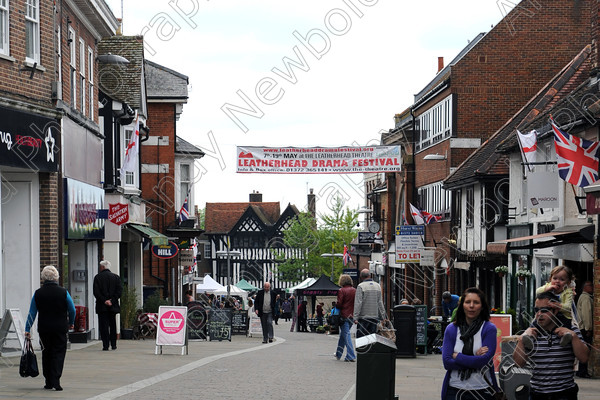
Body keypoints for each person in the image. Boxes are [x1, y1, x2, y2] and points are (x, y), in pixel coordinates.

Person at [513, 291, 589, 399]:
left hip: (564, 393)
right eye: (536, 310)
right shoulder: (531, 333)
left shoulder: (570, 330)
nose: (539, 314)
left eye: (544, 310)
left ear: (556, 310)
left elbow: (584, 358)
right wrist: (521, 340)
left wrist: (574, 337)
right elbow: (518, 363)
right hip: (537, 394)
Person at [441, 287, 498, 400]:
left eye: (476, 302)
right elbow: (447, 363)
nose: (471, 306)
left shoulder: (489, 328)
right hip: (454, 391)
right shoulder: (451, 329)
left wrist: (458, 356)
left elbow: (484, 361)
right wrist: (474, 358)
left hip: (483, 390)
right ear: (462, 305)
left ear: (482, 307)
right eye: (468, 302)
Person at [25, 266, 76, 391]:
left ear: (43, 278)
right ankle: (56, 380)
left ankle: (48, 381)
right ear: (56, 277)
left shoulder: (38, 293)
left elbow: (32, 313)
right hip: (60, 327)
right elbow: (72, 309)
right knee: (58, 353)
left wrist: (27, 328)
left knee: (46, 353)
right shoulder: (63, 292)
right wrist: (72, 322)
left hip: (44, 328)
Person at [523, 265, 576, 350]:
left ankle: (565, 338)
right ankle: (529, 339)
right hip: (547, 315)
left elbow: (568, 307)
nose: (557, 282)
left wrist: (558, 306)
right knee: (535, 325)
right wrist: (548, 288)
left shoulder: (568, 292)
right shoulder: (548, 286)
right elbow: (537, 291)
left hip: (562, 316)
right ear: (550, 279)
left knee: (565, 327)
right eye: (555, 278)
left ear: (568, 282)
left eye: (562, 279)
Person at [93, 260, 123, 351]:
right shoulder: (116, 277)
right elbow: (119, 291)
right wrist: (112, 300)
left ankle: (105, 345)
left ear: (102, 267)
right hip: (112, 306)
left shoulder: (98, 277)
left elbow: (96, 292)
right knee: (113, 324)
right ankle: (114, 344)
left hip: (102, 306)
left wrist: (104, 300)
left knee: (103, 326)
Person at [353, 269, 386, 338]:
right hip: (374, 317)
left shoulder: (361, 286)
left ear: (361, 277)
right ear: (370, 275)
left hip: (363, 317)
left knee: (361, 338)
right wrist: (383, 316)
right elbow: (380, 302)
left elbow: (358, 303)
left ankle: (363, 349)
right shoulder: (377, 286)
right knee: (372, 338)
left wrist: (355, 317)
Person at [335, 274, 356, 362]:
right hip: (352, 315)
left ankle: (351, 355)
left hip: (343, 316)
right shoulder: (355, 290)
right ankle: (338, 353)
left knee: (346, 335)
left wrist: (336, 305)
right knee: (343, 335)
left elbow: (339, 304)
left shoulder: (341, 290)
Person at [576, 281, 593, 378]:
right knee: (585, 350)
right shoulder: (586, 298)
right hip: (584, 328)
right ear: (585, 287)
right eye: (590, 285)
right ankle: (582, 371)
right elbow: (586, 314)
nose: (593, 287)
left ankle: (581, 371)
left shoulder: (584, 297)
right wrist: (588, 328)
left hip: (582, 328)